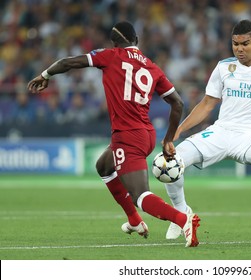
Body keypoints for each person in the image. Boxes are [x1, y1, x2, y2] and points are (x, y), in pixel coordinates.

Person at [27, 21, 200, 247]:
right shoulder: (152, 66)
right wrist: (168, 138)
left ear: (114, 43)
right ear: (136, 40)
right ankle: (135, 221)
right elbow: (177, 103)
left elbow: (68, 62)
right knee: (104, 166)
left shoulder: (111, 56)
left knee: (140, 196)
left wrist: (45, 75)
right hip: (145, 133)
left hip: (127, 136)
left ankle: (183, 219)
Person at [164, 19, 251, 239]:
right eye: (235, 44)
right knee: (169, 162)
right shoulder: (222, 67)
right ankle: (181, 213)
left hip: (250, 136)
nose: (239, 49)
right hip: (220, 132)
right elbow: (207, 104)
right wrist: (177, 131)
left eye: (245, 43)